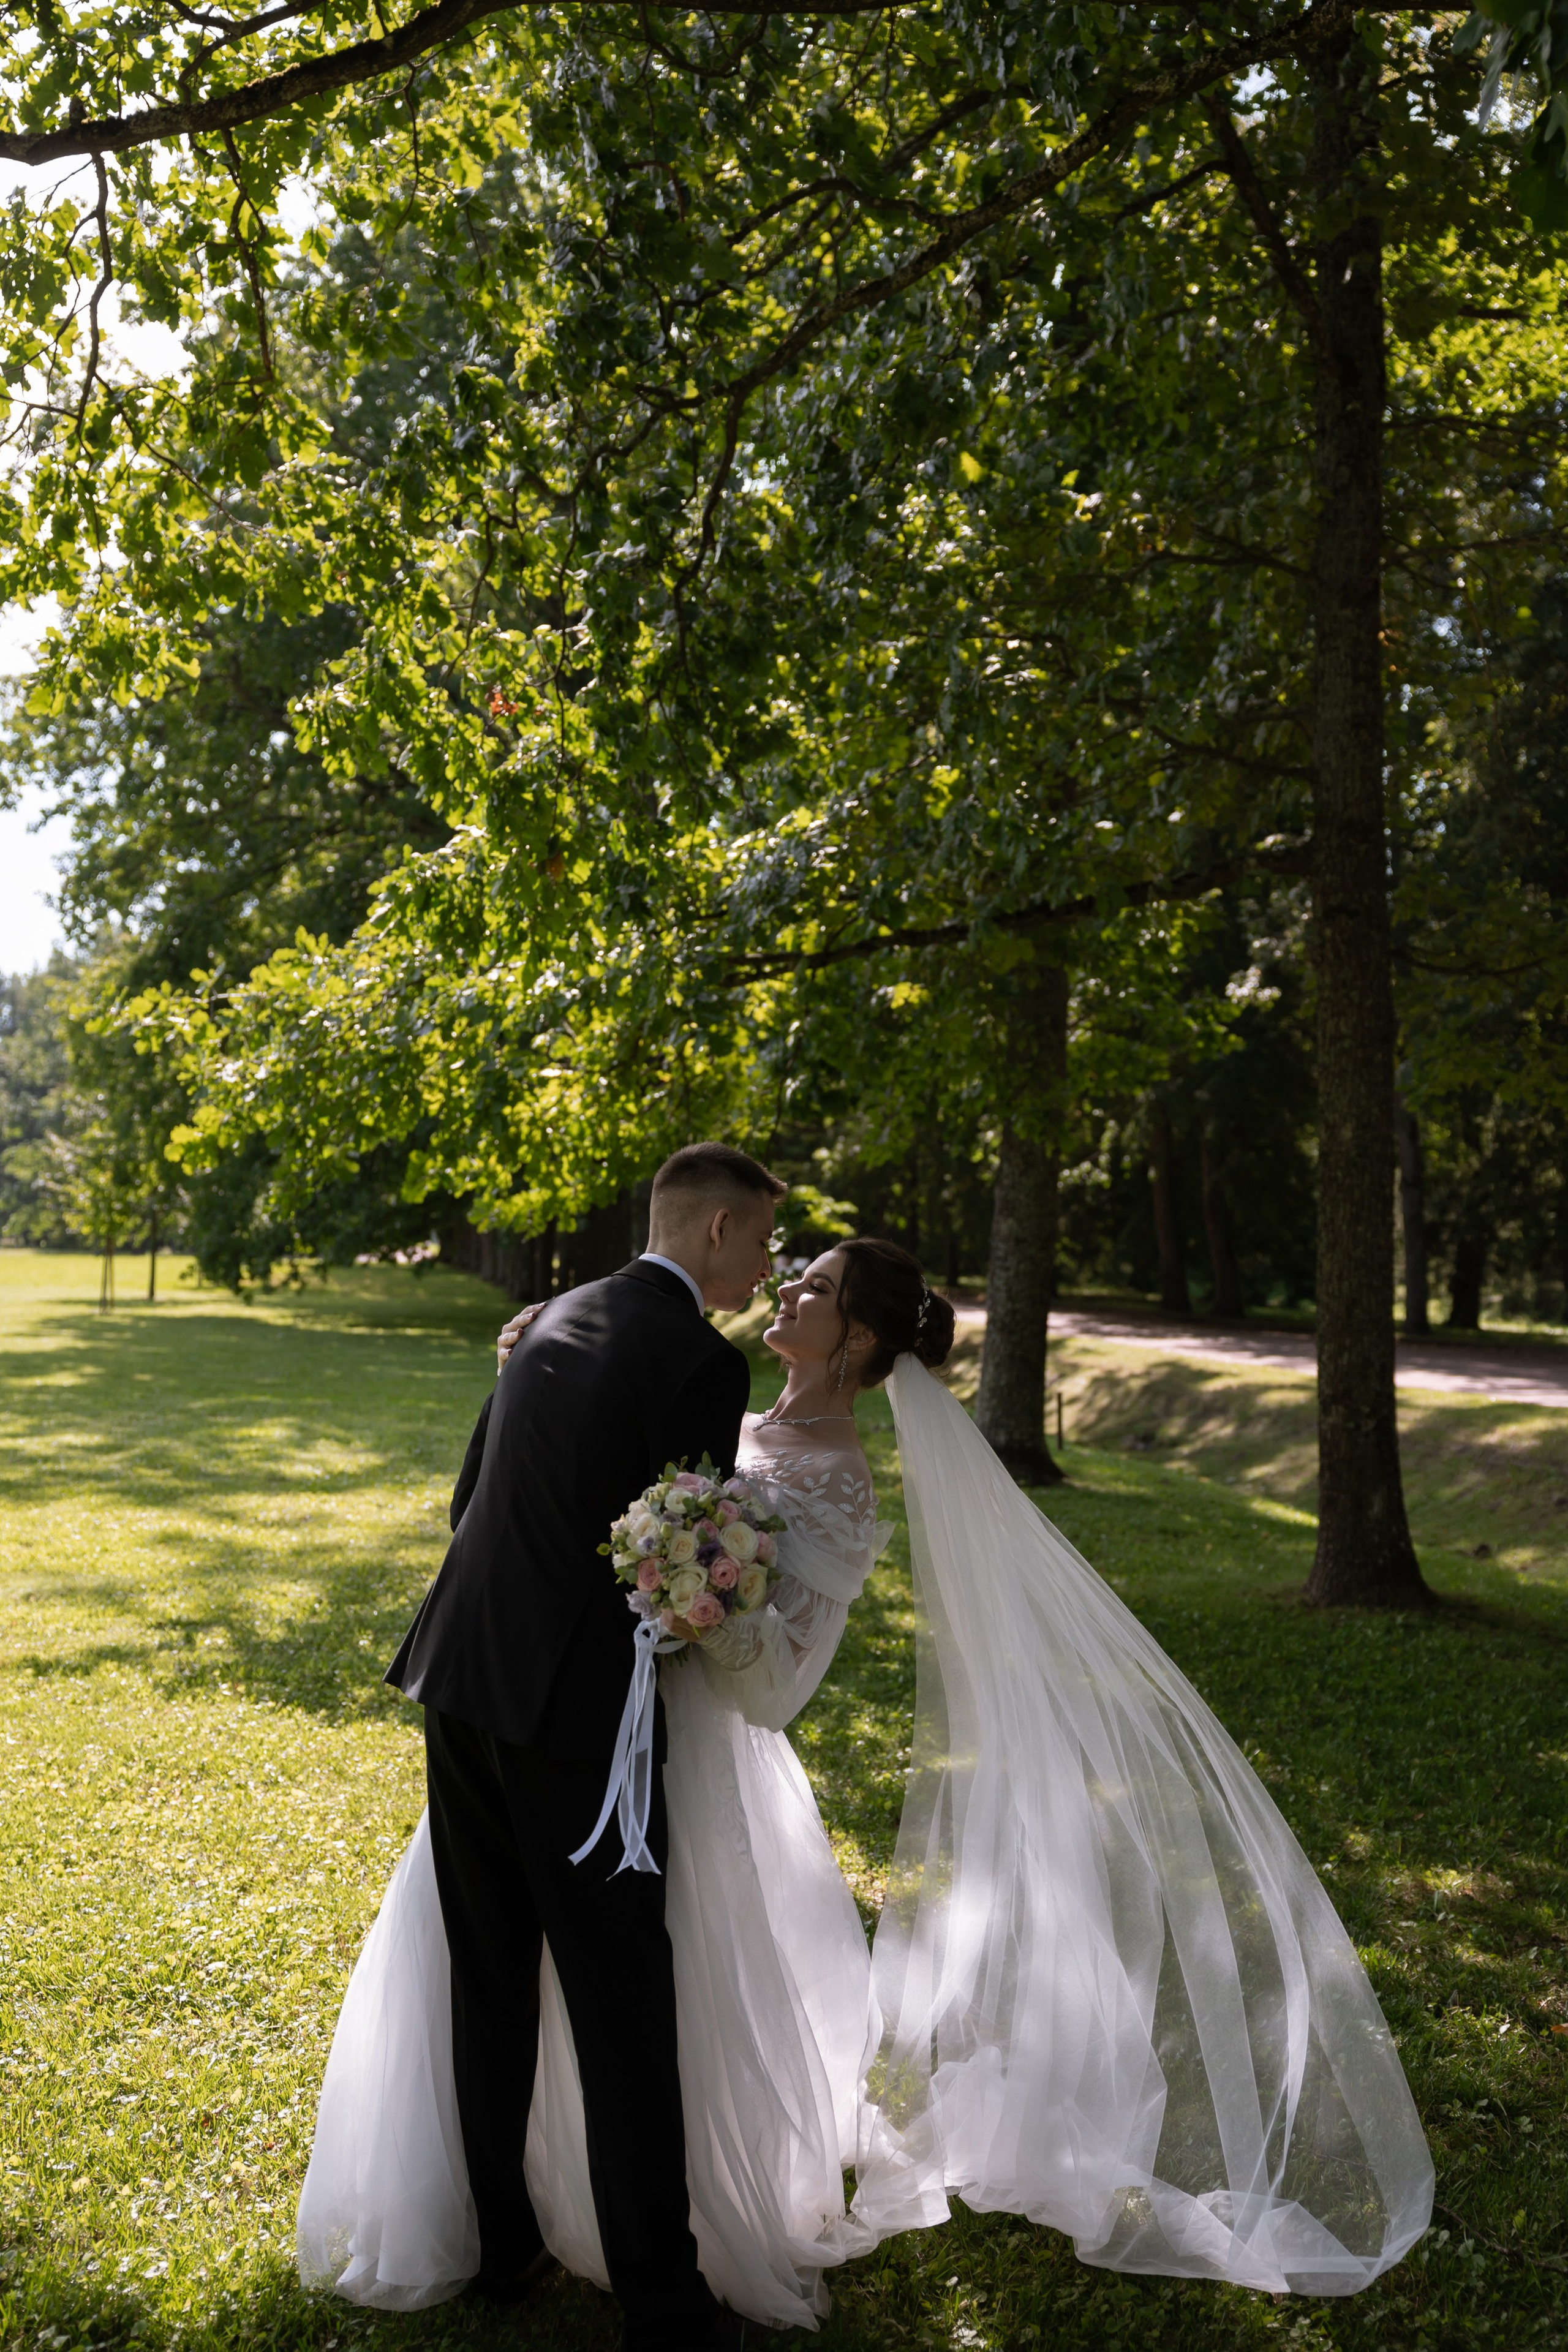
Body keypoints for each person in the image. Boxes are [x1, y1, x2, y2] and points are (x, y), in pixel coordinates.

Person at [300, 1230, 1433, 2332]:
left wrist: (706, 1602)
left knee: (645, 2000)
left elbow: (778, 1690)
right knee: (518, 1966)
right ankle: (522, 2207)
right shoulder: (726, 1409)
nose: (789, 1290)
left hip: (686, 1754)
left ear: (857, 1342)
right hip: (581, 1723)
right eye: (793, 1274)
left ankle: (650, 2230)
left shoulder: (841, 1488)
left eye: (821, 1288)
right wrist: (535, 1370)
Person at [306, 1141, 782, 2352]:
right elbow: (675, 1559)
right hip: (574, 1722)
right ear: (718, 1230)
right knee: (625, 2007)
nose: (768, 1267)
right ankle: (668, 2306)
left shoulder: (553, 1312)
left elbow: (471, 1498)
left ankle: (503, 2245)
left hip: (457, 1669)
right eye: (765, 1240)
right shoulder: (699, 1361)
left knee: (491, 1971)